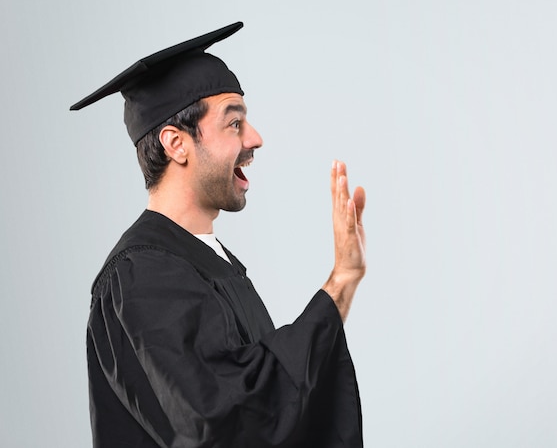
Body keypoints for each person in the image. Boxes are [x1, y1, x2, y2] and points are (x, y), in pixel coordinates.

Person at [70, 22, 366, 448]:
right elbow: (228, 420)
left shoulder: (207, 263)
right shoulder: (142, 276)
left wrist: (345, 284)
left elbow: (269, 404)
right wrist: (340, 285)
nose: (256, 138)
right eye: (234, 123)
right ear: (176, 144)